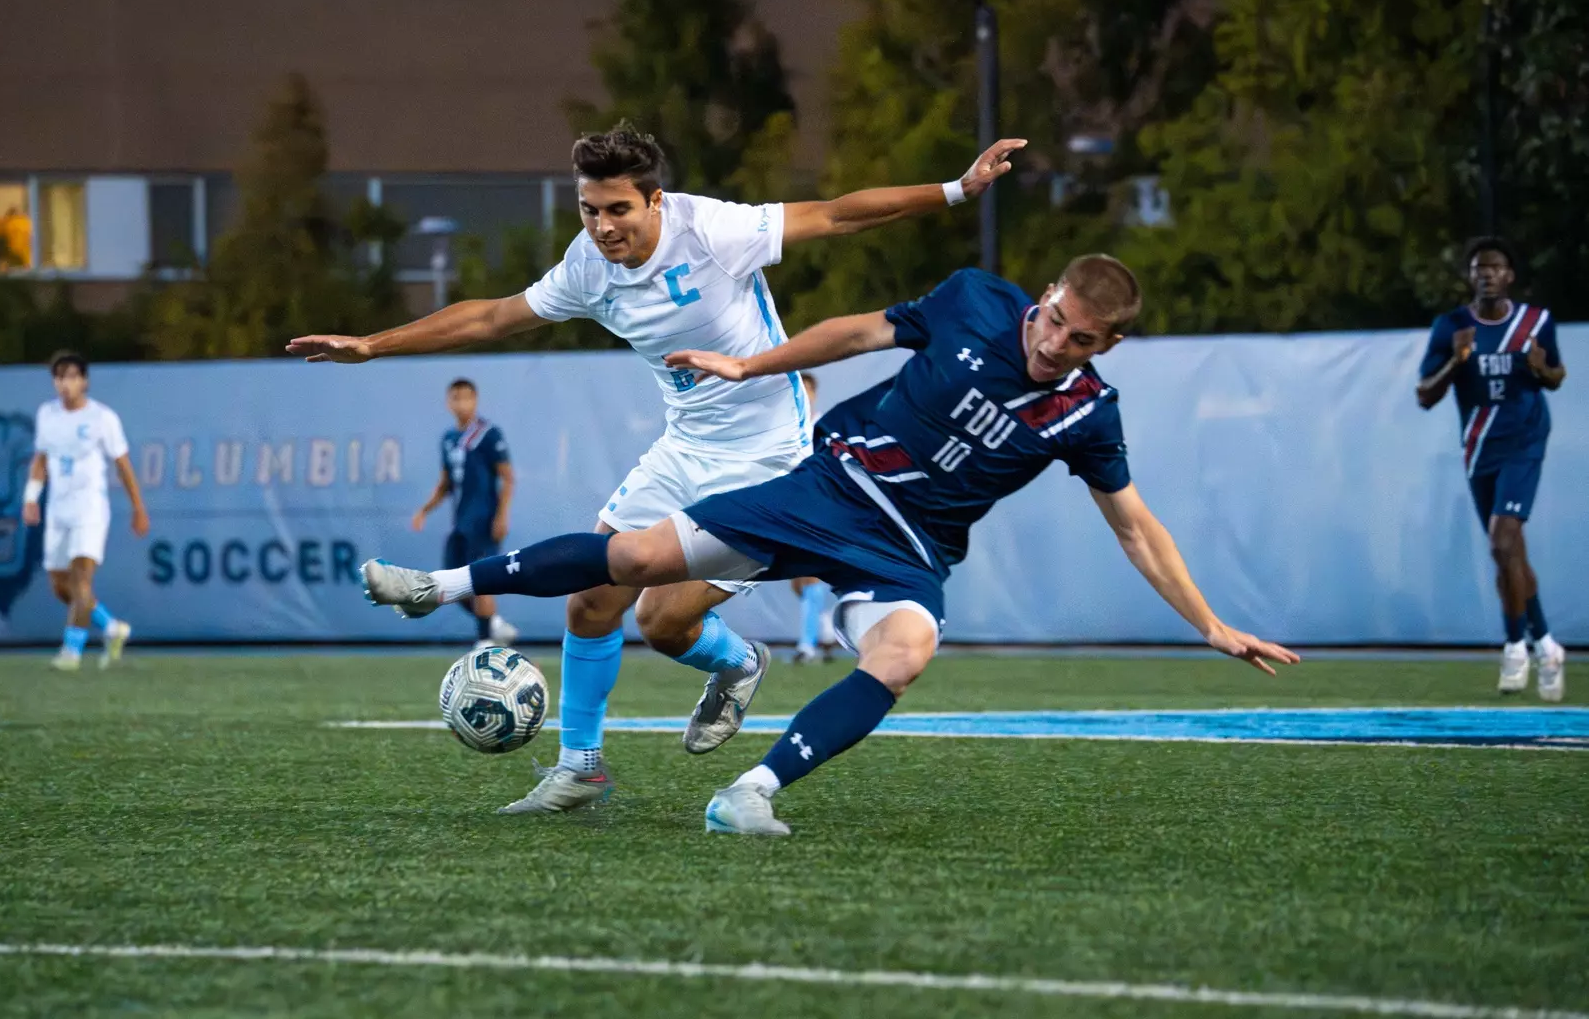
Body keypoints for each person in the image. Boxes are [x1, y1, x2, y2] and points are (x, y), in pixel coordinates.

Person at [359, 257, 1299, 835]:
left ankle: (749, 794)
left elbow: (1133, 522)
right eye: (1055, 318)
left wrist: (1210, 623)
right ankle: (434, 587)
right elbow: (859, 331)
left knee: (908, 652)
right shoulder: (975, 300)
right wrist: (747, 363)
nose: (1056, 341)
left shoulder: (1090, 413)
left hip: (909, 550)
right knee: (644, 582)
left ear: (1109, 345)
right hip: (827, 489)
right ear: (1045, 293)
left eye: (1082, 338)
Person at [288, 123, 1026, 813]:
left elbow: (834, 215)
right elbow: (491, 316)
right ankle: (581, 769)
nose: (604, 226)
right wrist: (372, 345)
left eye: (618, 209)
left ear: (656, 201)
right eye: (588, 210)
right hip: (683, 448)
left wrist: (956, 190)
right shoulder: (588, 265)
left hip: (769, 457)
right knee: (592, 602)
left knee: (663, 621)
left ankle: (736, 666)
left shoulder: (711, 230)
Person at [1417, 237, 1567, 701]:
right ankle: (1545, 642)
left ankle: (1514, 644)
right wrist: (1456, 364)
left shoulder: (1535, 322)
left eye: (1495, 268)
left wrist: (1542, 370)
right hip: (1480, 449)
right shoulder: (1452, 327)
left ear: (1509, 277)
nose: (1487, 275)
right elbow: (1424, 394)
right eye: (1479, 268)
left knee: (1504, 540)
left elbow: (1556, 376)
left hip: (1524, 443)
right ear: (1470, 277)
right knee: (1508, 551)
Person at [22, 351, 150, 670]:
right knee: (61, 587)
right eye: (59, 377)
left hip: (89, 509)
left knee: (81, 577)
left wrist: (138, 506)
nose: (65, 384)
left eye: (72, 377)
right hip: (57, 511)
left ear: (84, 381)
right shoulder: (47, 414)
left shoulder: (102, 418)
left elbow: (122, 465)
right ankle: (110, 626)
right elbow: (40, 460)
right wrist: (30, 497)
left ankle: (71, 651)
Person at [412, 378, 518, 647]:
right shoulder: (449, 439)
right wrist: (424, 510)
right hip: (460, 522)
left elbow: (507, 477)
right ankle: (493, 623)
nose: (461, 404)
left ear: (476, 400)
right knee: (453, 584)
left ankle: (484, 640)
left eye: (466, 397)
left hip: (483, 520)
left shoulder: (488, 434)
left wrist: (502, 515)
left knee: (479, 577)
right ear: (448, 402)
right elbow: (445, 482)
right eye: (456, 398)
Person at [789, 372, 833, 664]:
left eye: (809, 392)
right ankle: (827, 629)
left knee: (811, 573)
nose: (805, 397)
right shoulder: (785, 429)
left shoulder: (824, 426)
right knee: (796, 580)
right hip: (789, 506)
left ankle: (807, 645)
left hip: (819, 506)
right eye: (799, 392)